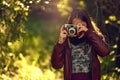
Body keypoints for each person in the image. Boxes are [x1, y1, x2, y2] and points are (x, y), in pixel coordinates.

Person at [51, 8, 110, 80]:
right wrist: (60, 42)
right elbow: (56, 65)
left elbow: (105, 52)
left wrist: (89, 33)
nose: (79, 28)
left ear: (87, 25)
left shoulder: (93, 38)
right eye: (76, 26)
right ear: (70, 26)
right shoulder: (67, 41)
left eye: (82, 25)